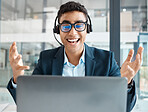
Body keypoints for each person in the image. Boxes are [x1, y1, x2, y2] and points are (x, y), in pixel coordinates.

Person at [7, 1, 143, 112]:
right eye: (66, 26)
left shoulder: (106, 60)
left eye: (79, 25)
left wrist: (127, 82)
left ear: (87, 28)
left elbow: (123, 108)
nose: (72, 32)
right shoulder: (46, 59)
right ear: (58, 30)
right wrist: (17, 79)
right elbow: (30, 104)